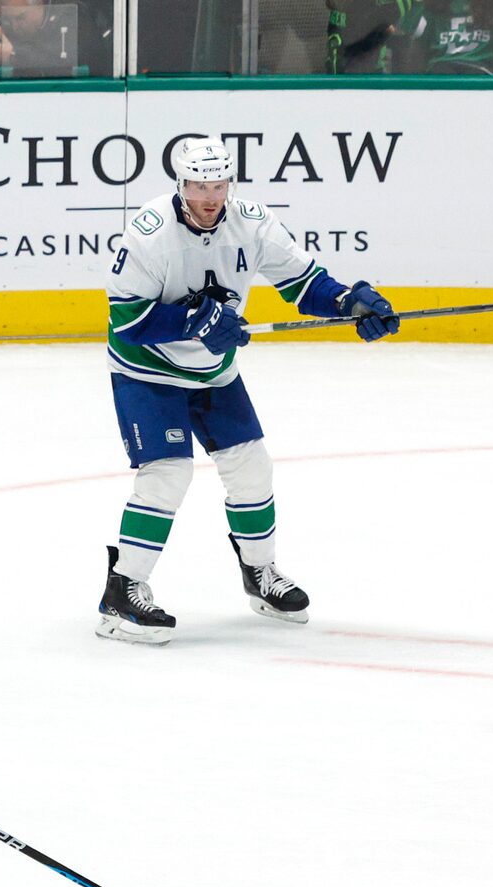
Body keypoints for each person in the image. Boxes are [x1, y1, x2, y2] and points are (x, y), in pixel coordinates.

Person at [95, 133, 397, 645]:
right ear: (179, 184)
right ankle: (123, 591)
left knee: (253, 467)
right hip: (147, 371)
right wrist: (195, 320)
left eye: (218, 184)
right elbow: (127, 321)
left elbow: (303, 283)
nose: (210, 197)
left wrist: (349, 302)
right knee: (168, 474)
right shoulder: (149, 233)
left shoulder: (252, 222)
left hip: (214, 371)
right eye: (198, 186)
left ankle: (259, 573)